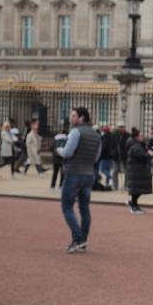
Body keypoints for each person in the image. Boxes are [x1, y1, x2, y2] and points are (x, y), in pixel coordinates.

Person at [55, 107, 99, 253]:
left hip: (74, 173)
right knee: (84, 209)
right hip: (89, 175)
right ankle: (82, 241)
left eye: (73, 115)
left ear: (81, 118)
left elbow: (67, 153)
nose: (71, 118)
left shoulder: (75, 131)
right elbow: (96, 157)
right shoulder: (96, 135)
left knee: (67, 207)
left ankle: (78, 239)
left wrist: (59, 150)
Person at [123, 126, 153, 214]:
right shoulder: (136, 146)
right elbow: (142, 157)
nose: (143, 137)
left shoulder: (137, 145)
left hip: (137, 170)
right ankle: (134, 207)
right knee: (136, 190)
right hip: (136, 170)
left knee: (138, 189)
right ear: (136, 137)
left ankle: (133, 204)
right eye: (141, 136)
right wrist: (149, 155)